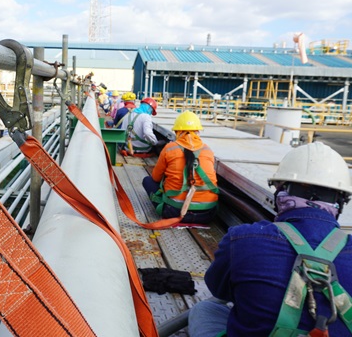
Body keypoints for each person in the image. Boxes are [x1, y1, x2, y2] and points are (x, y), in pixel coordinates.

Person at [188, 141, 352, 337]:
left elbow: (219, 290)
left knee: (206, 309)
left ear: (280, 193)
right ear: (340, 203)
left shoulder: (241, 240)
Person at [142, 110, 218, 224]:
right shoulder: (208, 150)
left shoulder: (170, 148)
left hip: (173, 211)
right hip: (207, 214)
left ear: (178, 132)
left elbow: (156, 178)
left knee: (147, 181)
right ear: (197, 131)